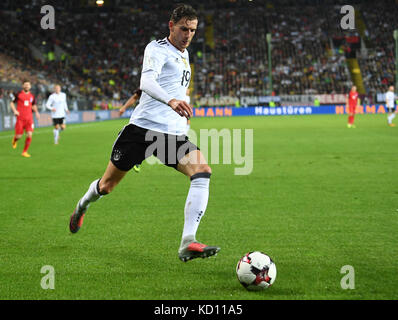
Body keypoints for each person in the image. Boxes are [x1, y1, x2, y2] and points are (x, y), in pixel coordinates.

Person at [69, 4, 220, 262]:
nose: (188, 35)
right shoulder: (157, 48)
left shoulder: (185, 55)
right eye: (184, 29)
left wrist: (181, 118)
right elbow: (146, 82)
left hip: (170, 136)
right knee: (107, 186)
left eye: (193, 30)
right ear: (171, 26)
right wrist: (171, 101)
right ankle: (81, 206)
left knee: (202, 171)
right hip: (140, 131)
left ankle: (188, 241)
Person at [10, 80, 40, 157]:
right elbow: (12, 103)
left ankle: (24, 152)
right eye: (25, 85)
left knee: (29, 135)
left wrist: (36, 112)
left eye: (28, 85)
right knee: (19, 136)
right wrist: (15, 111)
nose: (27, 86)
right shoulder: (18, 94)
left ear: (30, 86)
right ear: (23, 86)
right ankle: (15, 139)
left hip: (29, 118)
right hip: (20, 118)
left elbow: (33, 105)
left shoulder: (32, 96)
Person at [119, 88, 143, 172]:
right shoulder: (147, 82)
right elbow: (135, 97)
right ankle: (136, 160)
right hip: (140, 118)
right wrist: (124, 107)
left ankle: (137, 159)